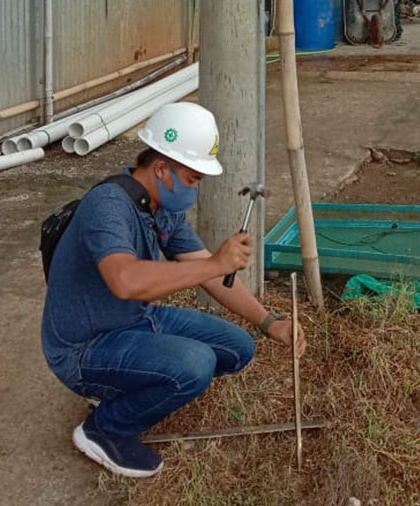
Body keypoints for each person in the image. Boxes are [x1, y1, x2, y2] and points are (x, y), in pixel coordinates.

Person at [40, 102, 306, 478]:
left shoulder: (161, 208)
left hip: (135, 321)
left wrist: (269, 322)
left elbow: (209, 273)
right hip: (84, 347)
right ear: (162, 169)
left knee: (238, 348)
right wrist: (216, 263)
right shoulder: (108, 206)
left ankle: (125, 385)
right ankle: (104, 429)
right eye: (193, 179)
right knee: (195, 364)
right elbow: (125, 281)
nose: (195, 190)